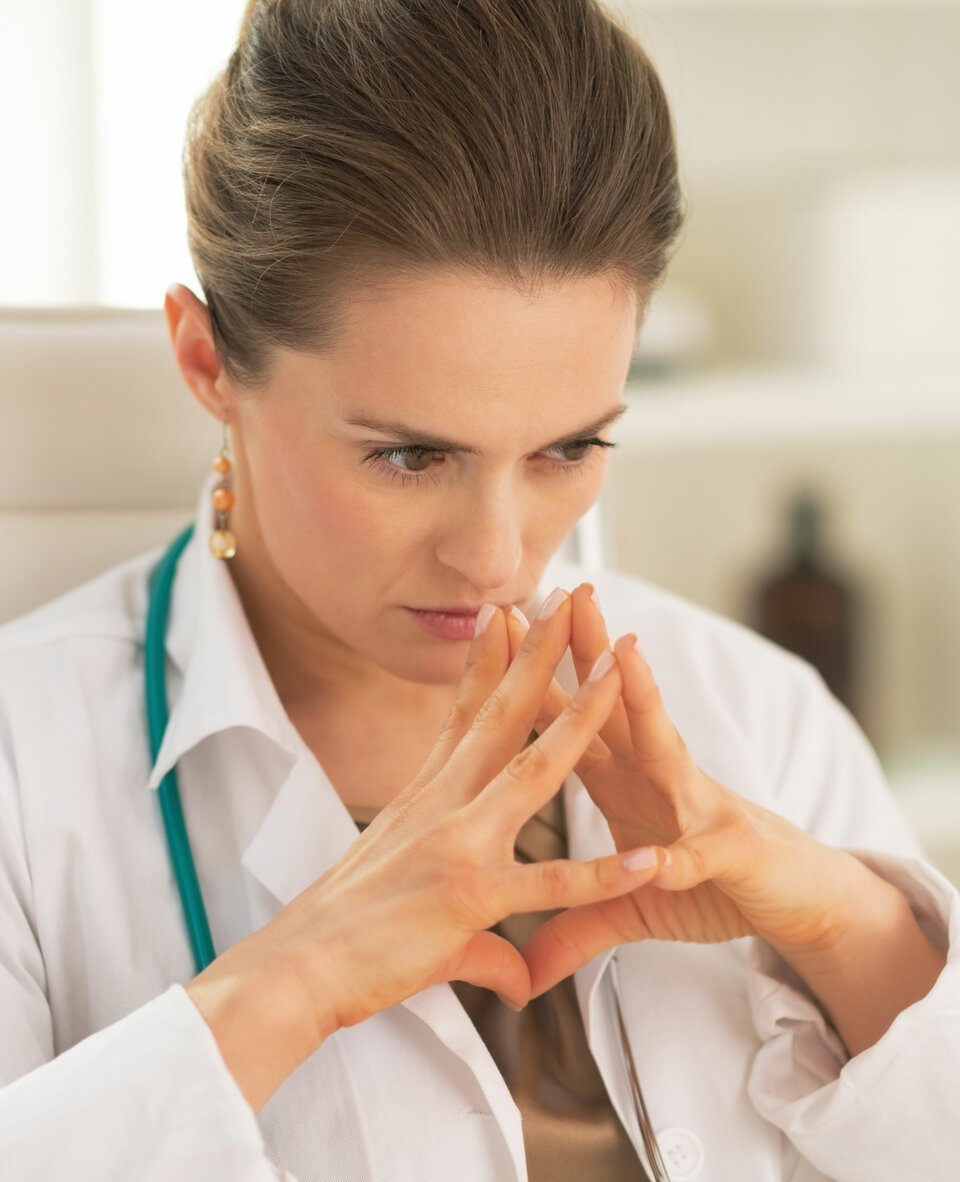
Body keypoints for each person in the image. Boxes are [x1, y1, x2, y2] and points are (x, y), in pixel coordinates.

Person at [0, 1, 956, 1179]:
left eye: (569, 450)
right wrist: (286, 983)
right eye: (410, 455)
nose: (500, 558)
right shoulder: (22, 763)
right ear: (208, 362)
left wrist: (845, 923)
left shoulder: (756, 710)